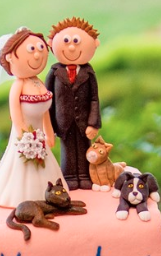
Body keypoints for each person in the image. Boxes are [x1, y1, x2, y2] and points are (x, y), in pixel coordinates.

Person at [0, 27, 67, 207]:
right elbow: (16, 115)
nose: (38, 56)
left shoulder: (38, 82)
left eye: (41, 49)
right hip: (25, 138)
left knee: (45, 167)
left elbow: (45, 111)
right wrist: (26, 137)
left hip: (39, 136)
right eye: (31, 50)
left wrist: (48, 132)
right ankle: (24, 197)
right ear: (10, 57)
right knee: (25, 167)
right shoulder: (17, 86)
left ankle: (48, 194)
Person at [45, 17, 101, 190]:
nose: (71, 47)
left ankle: (85, 175)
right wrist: (50, 126)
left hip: (84, 122)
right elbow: (48, 101)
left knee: (84, 147)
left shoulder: (89, 73)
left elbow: (94, 99)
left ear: (95, 44)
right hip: (63, 122)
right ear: (51, 43)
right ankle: (69, 176)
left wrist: (93, 123)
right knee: (68, 150)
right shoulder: (55, 73)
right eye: (67, 42)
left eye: (76, 42)